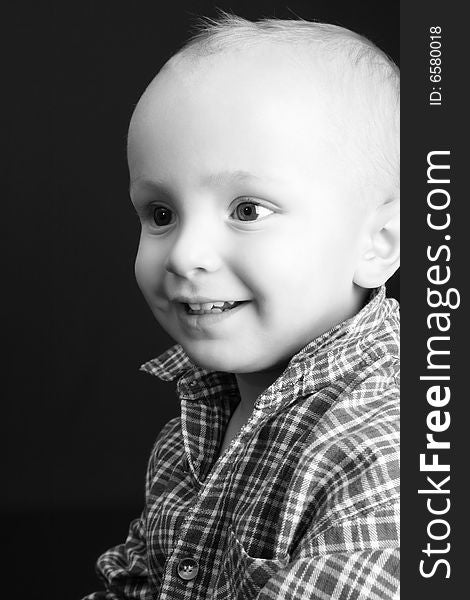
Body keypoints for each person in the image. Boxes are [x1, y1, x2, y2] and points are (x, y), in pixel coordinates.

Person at [84, 13, 400, 600]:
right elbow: (139, 578)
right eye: (160, 214)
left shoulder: (381, 453)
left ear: (378, 243)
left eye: (248, 210)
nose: (185, 254)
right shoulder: (195, 426)